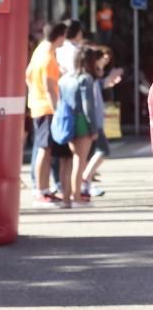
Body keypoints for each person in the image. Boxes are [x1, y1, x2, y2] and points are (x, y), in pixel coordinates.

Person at [26, 22, 68, 207]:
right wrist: (58, 110)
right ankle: (40, 191)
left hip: (37, 104)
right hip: (47, 108)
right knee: (45, 149)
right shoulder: (48, 56)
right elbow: (51, 87)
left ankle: (43, 189)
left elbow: (27, 75)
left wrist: (34, 94)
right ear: (60, 35)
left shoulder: (40, 50)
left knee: (44, 148)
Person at [58, 44, 102, 207]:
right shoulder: (86, 79)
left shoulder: (65, 78)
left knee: (67, 161)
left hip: (67, 121)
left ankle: (66, 197)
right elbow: (88, 106)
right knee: (79, 161)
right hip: (82, 122)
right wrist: (94, 128)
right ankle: (76, 197)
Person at [82, 45, 121, 198]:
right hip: (93, 122)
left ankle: (85, 182)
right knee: (102, 150)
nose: (104, 62)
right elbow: (89, 103)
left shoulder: (92, 76)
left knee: (92, 153)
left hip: (95, 120)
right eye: (101, 59)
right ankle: (84, 180)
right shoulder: (88, 78)